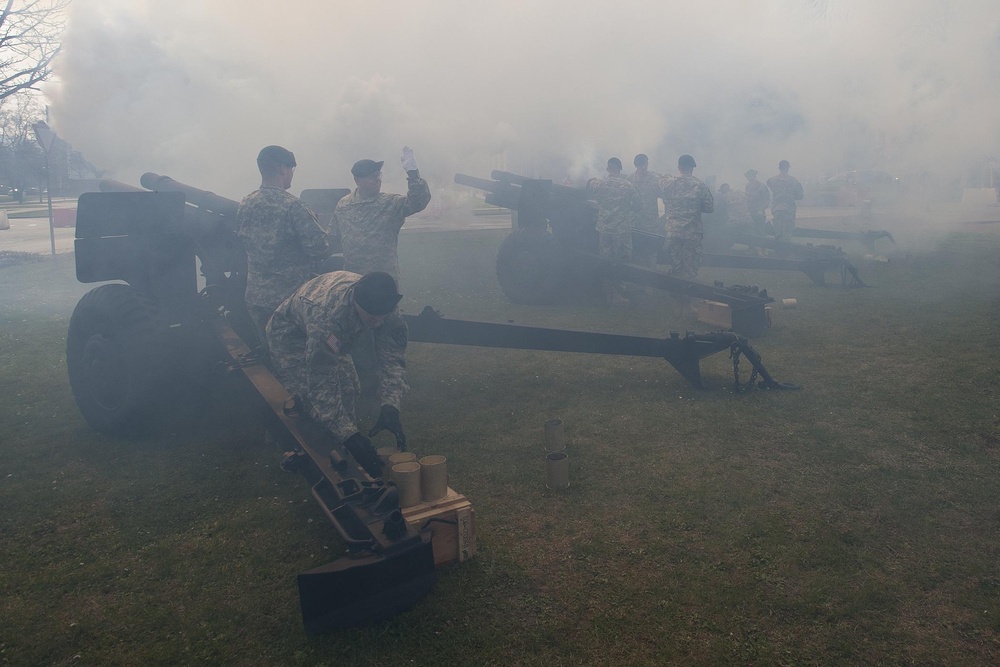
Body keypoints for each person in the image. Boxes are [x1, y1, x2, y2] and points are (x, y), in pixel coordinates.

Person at [266, 270, 409, 476]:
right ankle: (316, 456)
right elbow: (321, 384)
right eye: (371, 318)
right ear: (356, 306)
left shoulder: (384, 306)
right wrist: (350, 437)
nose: (378, 323)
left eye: (382, 316)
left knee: (350, 388)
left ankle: (343, 454)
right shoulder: (327, 318)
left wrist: (391, 405)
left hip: (335, 339)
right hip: (291, 338)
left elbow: (393, 357)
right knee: (311, 401)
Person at [236, 145, 331, 346]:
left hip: (256, 297)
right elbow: (319, 249)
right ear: (282, 169)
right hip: (288, 301)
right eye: (291, 170)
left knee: (269, 353)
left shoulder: (245, 203)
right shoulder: (293, 206)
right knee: (292, 360)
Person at [331, 146, 432, 287]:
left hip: (384, 278)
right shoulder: (343, 205)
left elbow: (418, 202)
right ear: (357, 180)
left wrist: (413, 173)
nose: (378, 180)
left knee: (386, 309)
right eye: (373, 177)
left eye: (379, 175)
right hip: (353, 278)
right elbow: (332, 238)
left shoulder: (390, 203)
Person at [661, 154, 713, 315]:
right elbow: (709, 208)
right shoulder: (700, 185)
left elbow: (662, 193)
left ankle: (677, 305)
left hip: (673, 231)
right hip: (691, 233)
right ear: (692, 168)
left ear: (679, 167)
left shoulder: (668, 183)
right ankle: (689, 304)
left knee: (676, 268)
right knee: (690, 270)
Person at [586, 157, 641, 304]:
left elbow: (590, 186)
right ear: (620, 168)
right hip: (621, 229)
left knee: (605, 260)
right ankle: (617, 294)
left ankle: (608, 293)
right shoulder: (628, 186)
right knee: (621, 261)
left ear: (607, 168)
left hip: (604, 227)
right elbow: (638, 205)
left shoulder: (599, 184)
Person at [626, 154, 663, 267]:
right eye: (641, 165)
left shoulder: (656, 179)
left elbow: (664, 196)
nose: (644, 167)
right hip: (634, 221)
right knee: (634, 248)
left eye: (646, 164)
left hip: (650, 221)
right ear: (636, 165)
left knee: (651, 250)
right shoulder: (630, 179)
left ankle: (652, 277)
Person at [767, 160, 804, 238]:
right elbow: (800, 196)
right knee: (788, 232)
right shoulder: (793, 181)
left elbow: (770, 187)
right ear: (788, 168)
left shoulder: (772, 180)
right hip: (789, 209)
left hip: (776, 209)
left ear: (779, 168)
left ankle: (778, 248)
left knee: (777, 231)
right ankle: (786, 247)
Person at [744, 168, 770, 234]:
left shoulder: (762, 186)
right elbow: (747, 198)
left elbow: (767, 199)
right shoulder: (748, 186)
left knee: (760, 231)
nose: (748, 178)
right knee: (752, 231)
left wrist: (761, 209)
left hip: (759, 213)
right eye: (747, 177)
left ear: (754, 176)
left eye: (750, 176)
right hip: (750, 213)